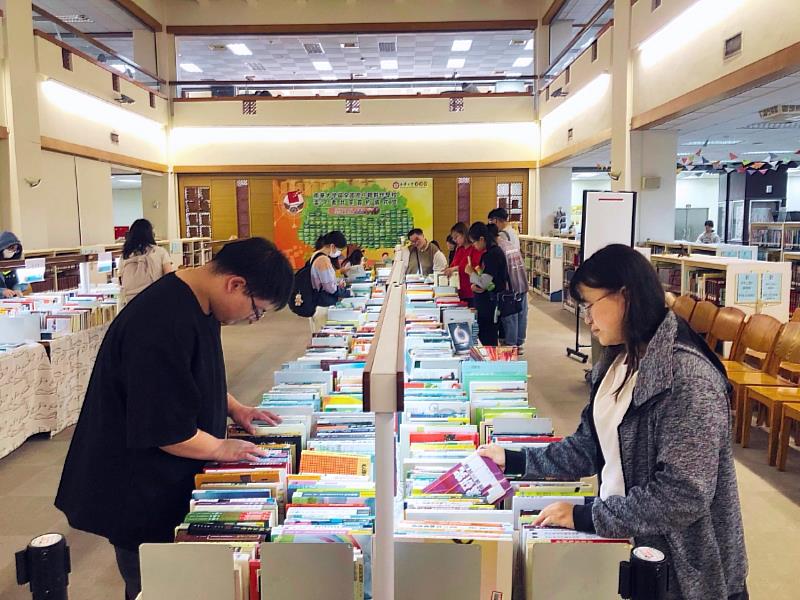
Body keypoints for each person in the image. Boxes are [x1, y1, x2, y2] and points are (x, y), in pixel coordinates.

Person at [478, 244, 748, 600]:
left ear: (626, 296)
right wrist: (515, 460)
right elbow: (590, 444)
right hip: (630, 545)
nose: (585, 316)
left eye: (590, 304)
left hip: (684, 574)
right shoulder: (619, 358)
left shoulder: (687, 379)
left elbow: (683, 496)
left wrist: (586, 517)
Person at [55, 238, 294, 600]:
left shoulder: (200, 304)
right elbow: (166, 429)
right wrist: (221, 448)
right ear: (236, 284)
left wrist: (233, 407)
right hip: (139, 490)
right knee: (155, 585)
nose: (252, 320)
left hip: (166, 479)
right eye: (256, 310)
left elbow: (190, 377)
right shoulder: (162, 322)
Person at [465, 222, 508, 346]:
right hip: (488, 300)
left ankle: (490, 362)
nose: (473, 246)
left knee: (488, 336)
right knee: (486, 334)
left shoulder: (492, 255)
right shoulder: (491, 252)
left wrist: (470, 273)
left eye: (474, 242)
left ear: (482, 239)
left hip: (490, 303)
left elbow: (484, 282)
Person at [488, 223, 528, 355]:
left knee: (510, 316)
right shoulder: (509, 244)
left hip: (510, 286)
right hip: (521, 282)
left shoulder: (499, 249)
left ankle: (511, 346)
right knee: (520, 314)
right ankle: (519, 343)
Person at [118, 219, 175, 303]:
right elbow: (169, 278)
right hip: (154, 299)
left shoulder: (125, 255)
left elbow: (121, 279)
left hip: (131, 302)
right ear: (150, 234)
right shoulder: (159, 252)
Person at [310, 231, 348, 330]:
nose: (339, 253)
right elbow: (330, 288)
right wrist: (347, 292)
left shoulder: (315, 255)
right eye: (339, 250)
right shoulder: (323, 260)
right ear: (332, 246)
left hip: (316, 304)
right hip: (323, 306)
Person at [444, 222, 484, 306]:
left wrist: (455, 268)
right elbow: (453, 264)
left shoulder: (475, 248)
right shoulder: (459, 249)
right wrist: (448, 270)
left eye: (457, 237)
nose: (455, 240)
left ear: (464, 234)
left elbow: (474, 267)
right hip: (459, 290)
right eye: (453, 238)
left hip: (471, 290)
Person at [0, 231, 23, 298]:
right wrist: (2, 291)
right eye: (11, 248)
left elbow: (16, 282)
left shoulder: (12, 264)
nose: (13, 252)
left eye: (16, 249)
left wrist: (17, 289)